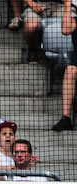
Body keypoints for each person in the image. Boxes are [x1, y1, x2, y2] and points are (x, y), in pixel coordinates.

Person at [52, 0, 77, 131]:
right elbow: (65, 30)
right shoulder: (74, 20)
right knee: (70, 70)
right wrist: (67, 4)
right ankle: (66, 118)